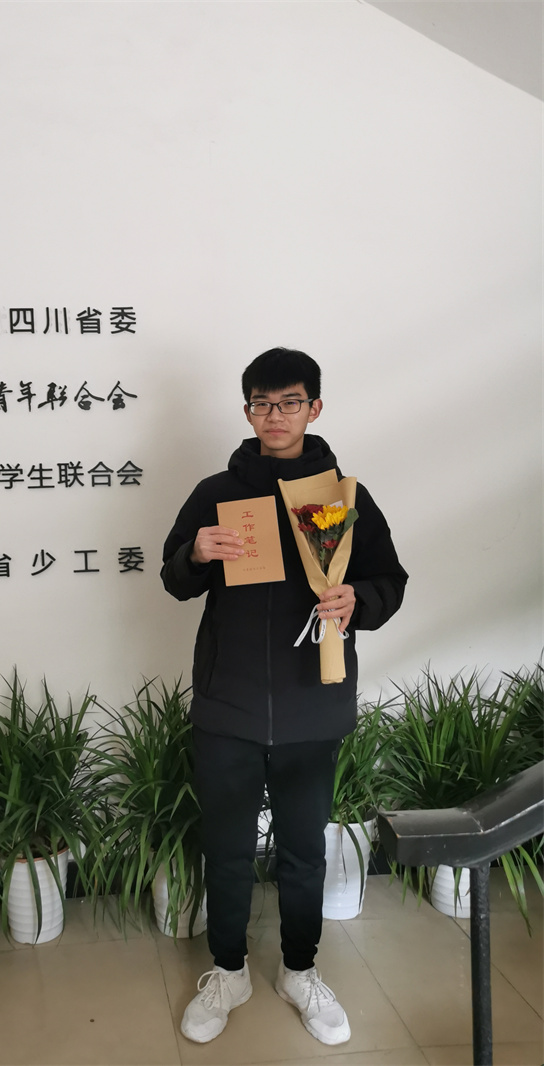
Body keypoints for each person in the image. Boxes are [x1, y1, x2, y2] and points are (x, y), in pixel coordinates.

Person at [161, 347, 407, 1046]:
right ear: (247, 412)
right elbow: (173, 579)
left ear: (314, 408)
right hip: (228, 706)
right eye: (262, 404)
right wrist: (197, 554)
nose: (276, 416)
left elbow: (389, 581)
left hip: (311, 703)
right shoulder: (216, 492)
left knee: (303, 850)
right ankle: (228, 971)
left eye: (290, 402)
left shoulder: (342, 496)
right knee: (227, 848)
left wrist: (358, 600)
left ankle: (300, 969)